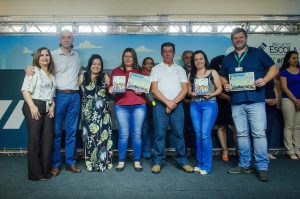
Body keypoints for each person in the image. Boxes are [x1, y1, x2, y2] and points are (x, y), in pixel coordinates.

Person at [220, 27, 279, 182]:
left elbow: (274, 68)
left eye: (241, 37)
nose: (238, 40)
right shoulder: (228, 58)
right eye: (235, 38)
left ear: (246, 38)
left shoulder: (258, 53)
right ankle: (244, 164)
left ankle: (262, 167)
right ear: (232, 41)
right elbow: (222, 77)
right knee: (241, 134)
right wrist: (225, 84)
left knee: (259, 133)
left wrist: (265, 80)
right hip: (237, 102)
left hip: (256, 101)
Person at [26, 30, 82, 175]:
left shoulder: (77, 55)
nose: (66, 39)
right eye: (64, 37)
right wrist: (27, 69)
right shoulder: (51, 54)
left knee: (72, 132)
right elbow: (37, 67)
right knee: (56, 132)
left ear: (72, 39)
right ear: (60, 39)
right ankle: (56, 164)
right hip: (58, 96)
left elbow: (79, 73)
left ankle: (70, 162)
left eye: (69, 37)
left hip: (75, 96)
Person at [150, 42, 194, 174]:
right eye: (165, 51)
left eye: (170, 51)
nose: (168, 53)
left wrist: (173, 103)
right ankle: (158, 161)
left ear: (174, 53)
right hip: (159, 105)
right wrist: (167, 102)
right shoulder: (156, 69)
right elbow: (154, 89)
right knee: (159, 134)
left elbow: (185, 89)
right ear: (161, 53)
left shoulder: (180, 70)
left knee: (179, 134)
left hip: (177, 106)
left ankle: (182, 161)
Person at [109, 48, 147, 172]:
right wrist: (111, 89)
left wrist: (142, 90)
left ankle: (137, 160)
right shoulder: (116, 71)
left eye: (130, 56)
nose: (128, 58)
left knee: (136, 134)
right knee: (123, 134)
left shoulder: (140, 71)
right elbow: (111, 88)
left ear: (134, 58)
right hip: (121, 106)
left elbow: (147, 88)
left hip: (139, 106)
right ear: (123, 57)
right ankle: (121, 160)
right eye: (126, 56)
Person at [21, 47, 56, 181]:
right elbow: (25, 91)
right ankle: (35, 174)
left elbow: (52, 95)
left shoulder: (52, 75)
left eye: (47, 55)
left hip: (48, 108)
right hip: (33, 106)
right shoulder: (33, 71)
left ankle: (46, 172)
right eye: (41, 55)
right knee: (35, 140)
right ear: (37, 57)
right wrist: (32, 107)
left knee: (47, 141)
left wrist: (52, 106)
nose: (45, 57)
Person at [188, 50, 222, 175]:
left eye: (200, 59)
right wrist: (191, 93)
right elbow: (188, 92)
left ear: (205, 59)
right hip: (195, 105)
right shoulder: (191, 74)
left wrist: (211, 93)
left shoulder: (212, 72)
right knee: (197, 134)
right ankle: (200, 163)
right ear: (193, 61)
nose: (198, 61)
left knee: (205, 134)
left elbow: (220, 88)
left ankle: (207, 165)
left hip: (210, 104)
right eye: (196, 59)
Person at [78, 54, 113, 172]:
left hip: (103, 113)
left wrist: (112, 89)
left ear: (101, 66)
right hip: (88, 113)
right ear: (90, 65)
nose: (96, 66)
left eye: (99, 64)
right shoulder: (83, 76)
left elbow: (111, 92)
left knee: (103, 137)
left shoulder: (105, 77)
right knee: (90, 138)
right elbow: (77, 93)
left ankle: (103, 163)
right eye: (94, 64)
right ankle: (91, 163)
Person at [210, 55, 238, 162]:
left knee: (236, 128)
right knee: (221, 127)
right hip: (221, 102)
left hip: (235, 102)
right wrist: (227, 97)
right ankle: (225, 151)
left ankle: (239, 150)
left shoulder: (233, 72)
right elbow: (214, 90)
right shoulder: (213, 74)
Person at [279, 51, 300, 160]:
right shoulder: (284, 72)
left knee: (298, 127)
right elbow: (284, 88)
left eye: (297, 58)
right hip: (288, 100)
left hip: (299, 101)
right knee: (289, 126)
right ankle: (290, 150)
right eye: (293, 58)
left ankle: (297, 149)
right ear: (288, 60)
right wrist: (295, 100)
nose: (296, 60)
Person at [181, 50, 196, 156]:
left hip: (197, 104)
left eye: (191, 57)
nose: (189, 59)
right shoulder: (179, 71)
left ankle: (196, 151)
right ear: (183, 59)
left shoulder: (199, 70)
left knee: (196, 128)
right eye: (186, 57)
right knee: (184, 129)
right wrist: (184, 100)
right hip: (182, 104)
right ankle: (184, 152)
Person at [141, 57, 155, 159]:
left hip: (155, 104)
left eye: (151, 63)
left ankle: (155, 149)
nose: (149, 65)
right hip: (144, 105)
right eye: (147, 63)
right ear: (143, 65)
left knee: (155, 127)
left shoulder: (157, 74)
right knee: (145, 128)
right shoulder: (140, 75)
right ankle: (146, 150)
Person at [265, 77, 280, 160]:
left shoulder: (271, 75)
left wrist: (277, 99)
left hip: (272, 105)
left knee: (269, 129)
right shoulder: (256, 73)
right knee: (259, 130)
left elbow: (274, 88)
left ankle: (266, 151)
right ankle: (259, 152)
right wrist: (265, 100)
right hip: (260, 104)